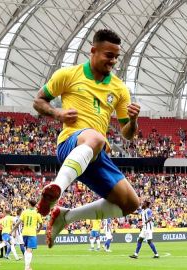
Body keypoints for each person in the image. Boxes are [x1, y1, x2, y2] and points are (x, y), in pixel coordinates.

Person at [32, 29, 140, 248]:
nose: (113, 61)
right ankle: (56, 190)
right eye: (109, 55)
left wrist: (133, 120)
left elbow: (126, 134)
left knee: (130, 204)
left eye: (116, 57)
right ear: (93, 50)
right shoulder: (68, 75)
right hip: (71, 144)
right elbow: (39, 101)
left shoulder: (119, 88)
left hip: (96, 154)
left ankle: (65, 216)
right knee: (96, 137)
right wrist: (57, 113)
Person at [12, 199, 43, 270]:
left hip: (24, 233)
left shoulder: (24, 212)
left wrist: (12, 230)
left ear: (29, 204)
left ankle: (28, 266)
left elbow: (18, 222)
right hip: (32, 233)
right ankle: (26, 268)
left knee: (27, 250)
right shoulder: (37, 213)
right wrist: (38, 230)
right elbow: (41, 224)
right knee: (29, 250)